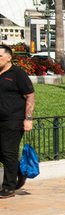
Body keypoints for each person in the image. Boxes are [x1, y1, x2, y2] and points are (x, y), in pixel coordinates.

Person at [0, 44, 35, 198]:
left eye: (0, 56)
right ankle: (20, 173)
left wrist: (28, 119)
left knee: (9, 152)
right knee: (3, 152)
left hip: (13, 119)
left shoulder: (17, 73)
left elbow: (30, 95)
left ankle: (9, 188)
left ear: (9, 57)